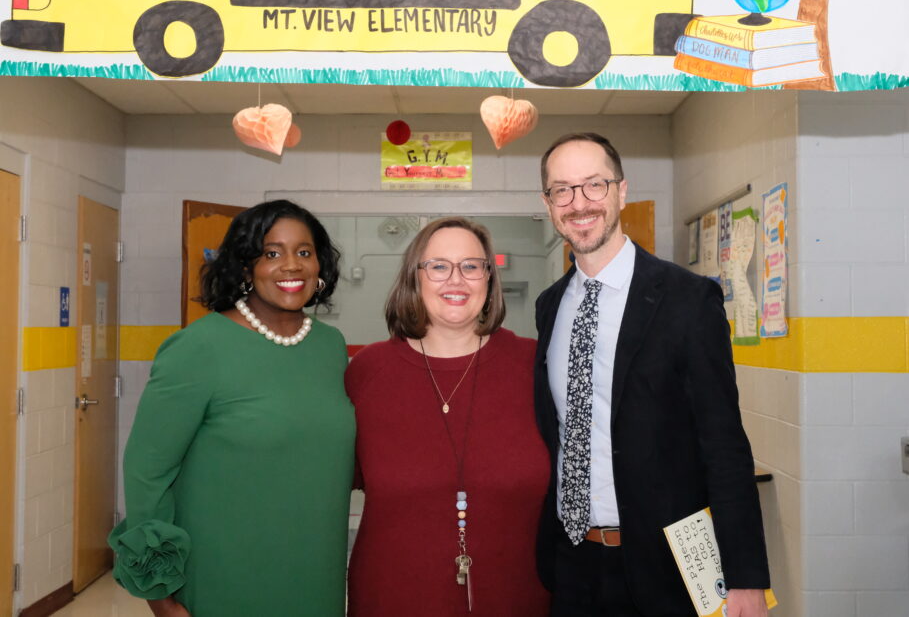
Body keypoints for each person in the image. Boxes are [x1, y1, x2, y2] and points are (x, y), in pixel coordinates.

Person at [533, 133, 770, 617]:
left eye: (594, 185)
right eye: (562, 190)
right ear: (548, 203)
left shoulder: (688, 300)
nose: (579, 203)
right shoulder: (550, 306)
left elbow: (724, 444)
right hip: (571, 564)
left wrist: (746, 577)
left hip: (666, 572)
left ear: (621, 191)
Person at [109, 200, 355, 617]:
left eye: (304, 251)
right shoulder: (199, 347)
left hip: (315, 568)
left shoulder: (329, 347)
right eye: (271, 253)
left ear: (320, 266)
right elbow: (147, 471)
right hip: (224, 572)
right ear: (244, 267)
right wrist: (159, 594)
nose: (291, 265)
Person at [345, 216, 551, 616]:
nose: (456, 279)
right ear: (414, 277)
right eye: (438, 266)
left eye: (471, 266)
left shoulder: (535, 366)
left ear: (489, 278)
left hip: (518, 600)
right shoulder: (368, 372)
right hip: (392, 599)